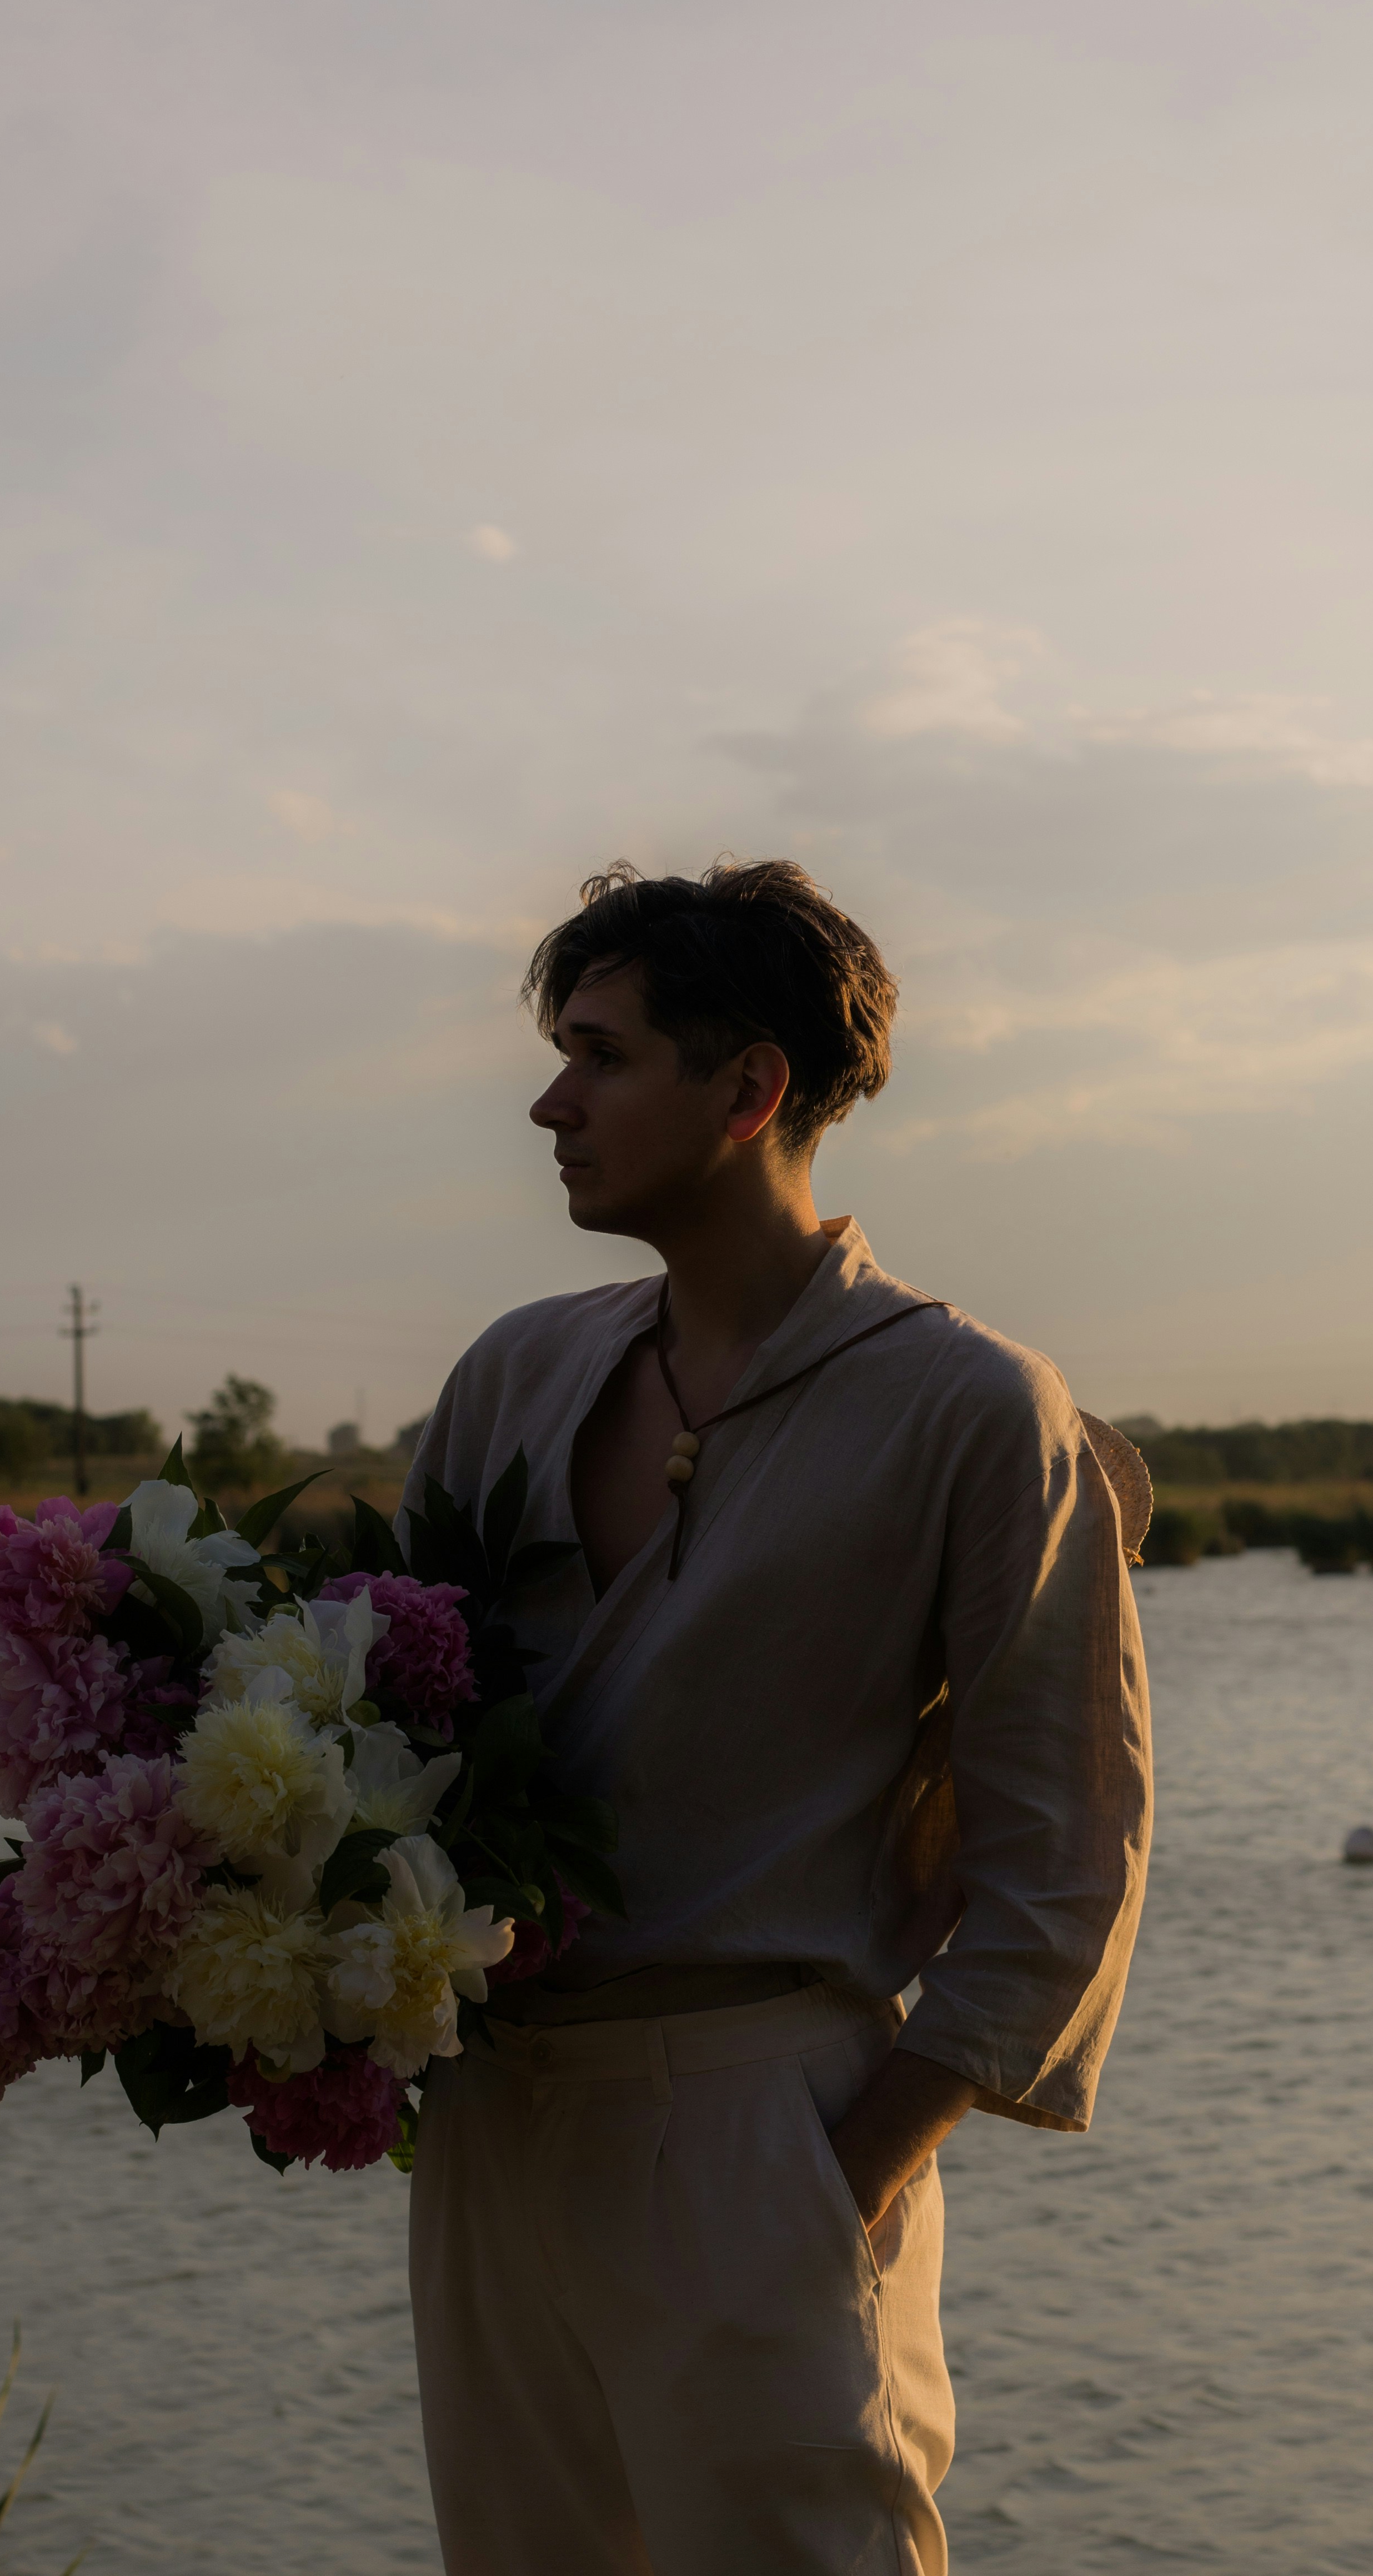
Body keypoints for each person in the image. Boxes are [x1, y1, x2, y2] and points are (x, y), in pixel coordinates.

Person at [400, 858, 1154, 2576]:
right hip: (490, 2124)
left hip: (765, 2113)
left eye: (599, 1055)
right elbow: (399, 1747)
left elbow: (1068, 1855)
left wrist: (850, 2167)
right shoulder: (512, 1374)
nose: (549, 1102)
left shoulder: (970, 1408)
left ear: (746, 1092)